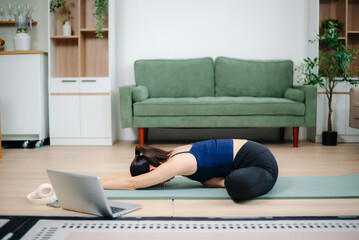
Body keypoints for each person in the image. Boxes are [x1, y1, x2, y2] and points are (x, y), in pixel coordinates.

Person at [100, 139, 278, 201]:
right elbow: (132, 177)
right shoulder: (170, 155)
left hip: (261, 164)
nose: (160, 181)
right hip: (252, 154)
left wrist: (216, 182)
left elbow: (133, 183)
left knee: (233, 184)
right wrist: (96, 180)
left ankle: (225, 181)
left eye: (155, 179)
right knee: (227, 180)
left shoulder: (176, 163)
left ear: (153, 169)